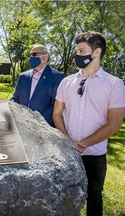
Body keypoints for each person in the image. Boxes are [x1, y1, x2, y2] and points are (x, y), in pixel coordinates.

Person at [53, 31, 125, 216]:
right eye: (77, 50)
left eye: (82, 50)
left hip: (95, 156)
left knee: (94, 197)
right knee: (62, 197)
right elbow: (57, 114)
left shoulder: (114, 84)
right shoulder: (66, 82)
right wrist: (69, 141)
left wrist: (83, 144)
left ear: (96, 52)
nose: (77, 55)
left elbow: (115, 124)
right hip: (66, 153)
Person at [10, 44, 64, 127]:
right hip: (21, 124)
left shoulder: (57, 77)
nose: (31, 57)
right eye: (30, 55)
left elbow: (54, 105)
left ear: (45, 57)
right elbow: (15, 98)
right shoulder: (23, 76)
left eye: (34, 54)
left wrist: (37, 121)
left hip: (43, 127)